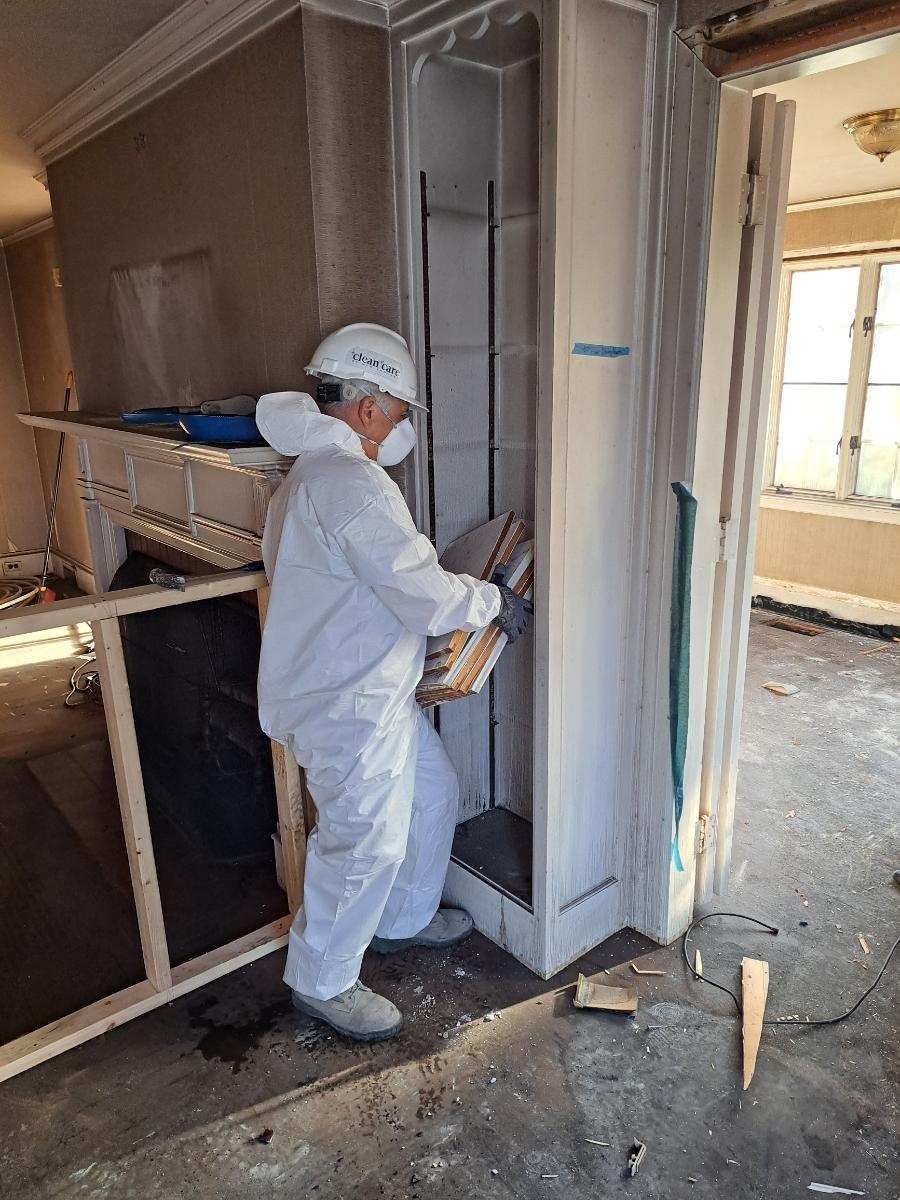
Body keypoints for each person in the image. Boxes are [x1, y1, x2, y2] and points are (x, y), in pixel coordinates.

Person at [256, 323, 531, 1041]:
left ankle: (401, 920)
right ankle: (323, 982)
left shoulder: (307, 481)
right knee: (363, 840)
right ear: (368, 407)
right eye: (401, 410)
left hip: (362, 691)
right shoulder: (349, 483)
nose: (402, 425)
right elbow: (422, 593)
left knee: (431, 792)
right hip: (347, 702)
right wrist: (493, 601)